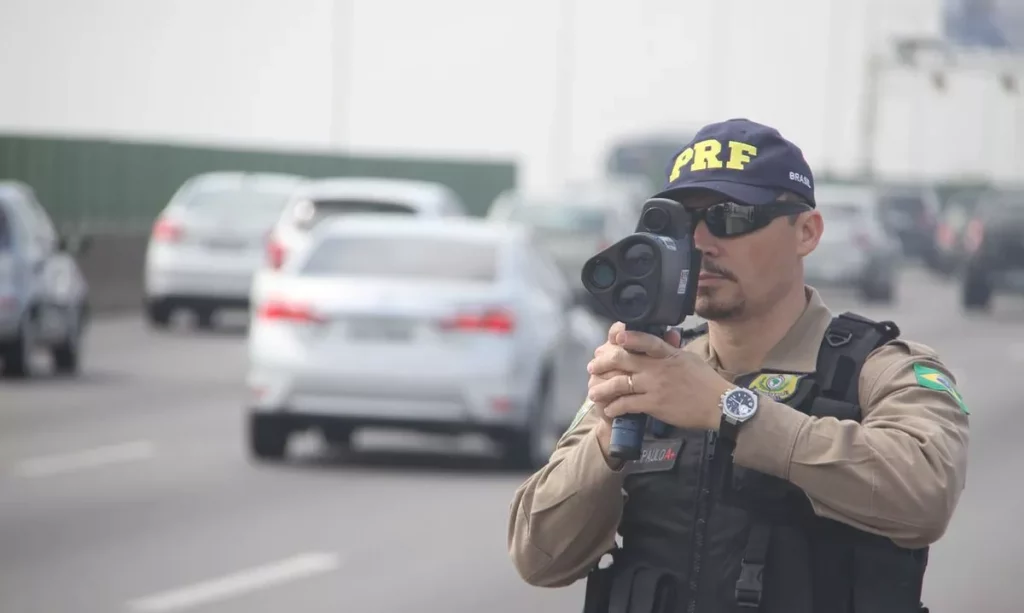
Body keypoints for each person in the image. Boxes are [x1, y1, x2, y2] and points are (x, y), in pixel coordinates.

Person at [506, 118, 970, 613]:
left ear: (806, 232)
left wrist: (733, 410)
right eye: (684, 221)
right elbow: (538, 557)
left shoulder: (880, 370)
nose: (701, 242)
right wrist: (606, 435)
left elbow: (925, 495)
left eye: (730, 217)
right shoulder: (650, 369)